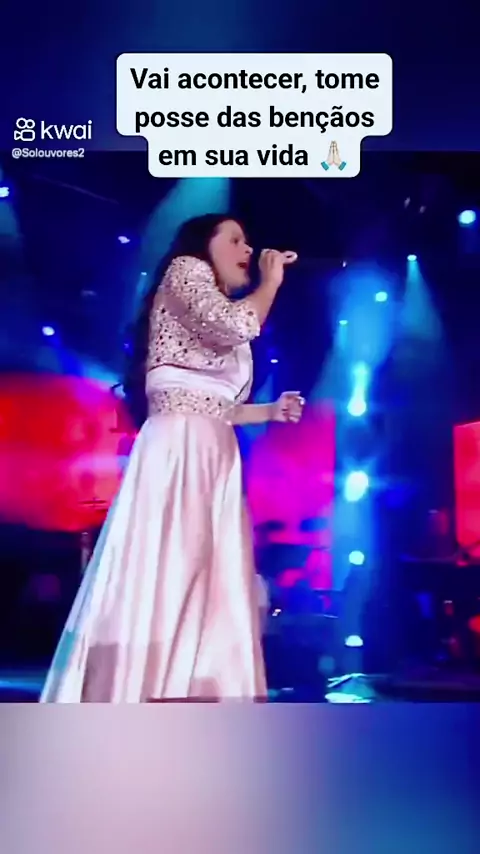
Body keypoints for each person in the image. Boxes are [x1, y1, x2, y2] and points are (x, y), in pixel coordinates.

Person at [40, 213, 304, 703]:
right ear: (205, 244)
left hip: (213, 451)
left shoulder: (211, 306)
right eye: (236, 240)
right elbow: (239, 325)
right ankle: (141, 686)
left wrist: (270, 410)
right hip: (180, 446)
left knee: (211, 577)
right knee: (173, 565)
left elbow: (216, 405)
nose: (248, 249)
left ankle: (196, 689)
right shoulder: (186, 271)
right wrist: (270, 282)